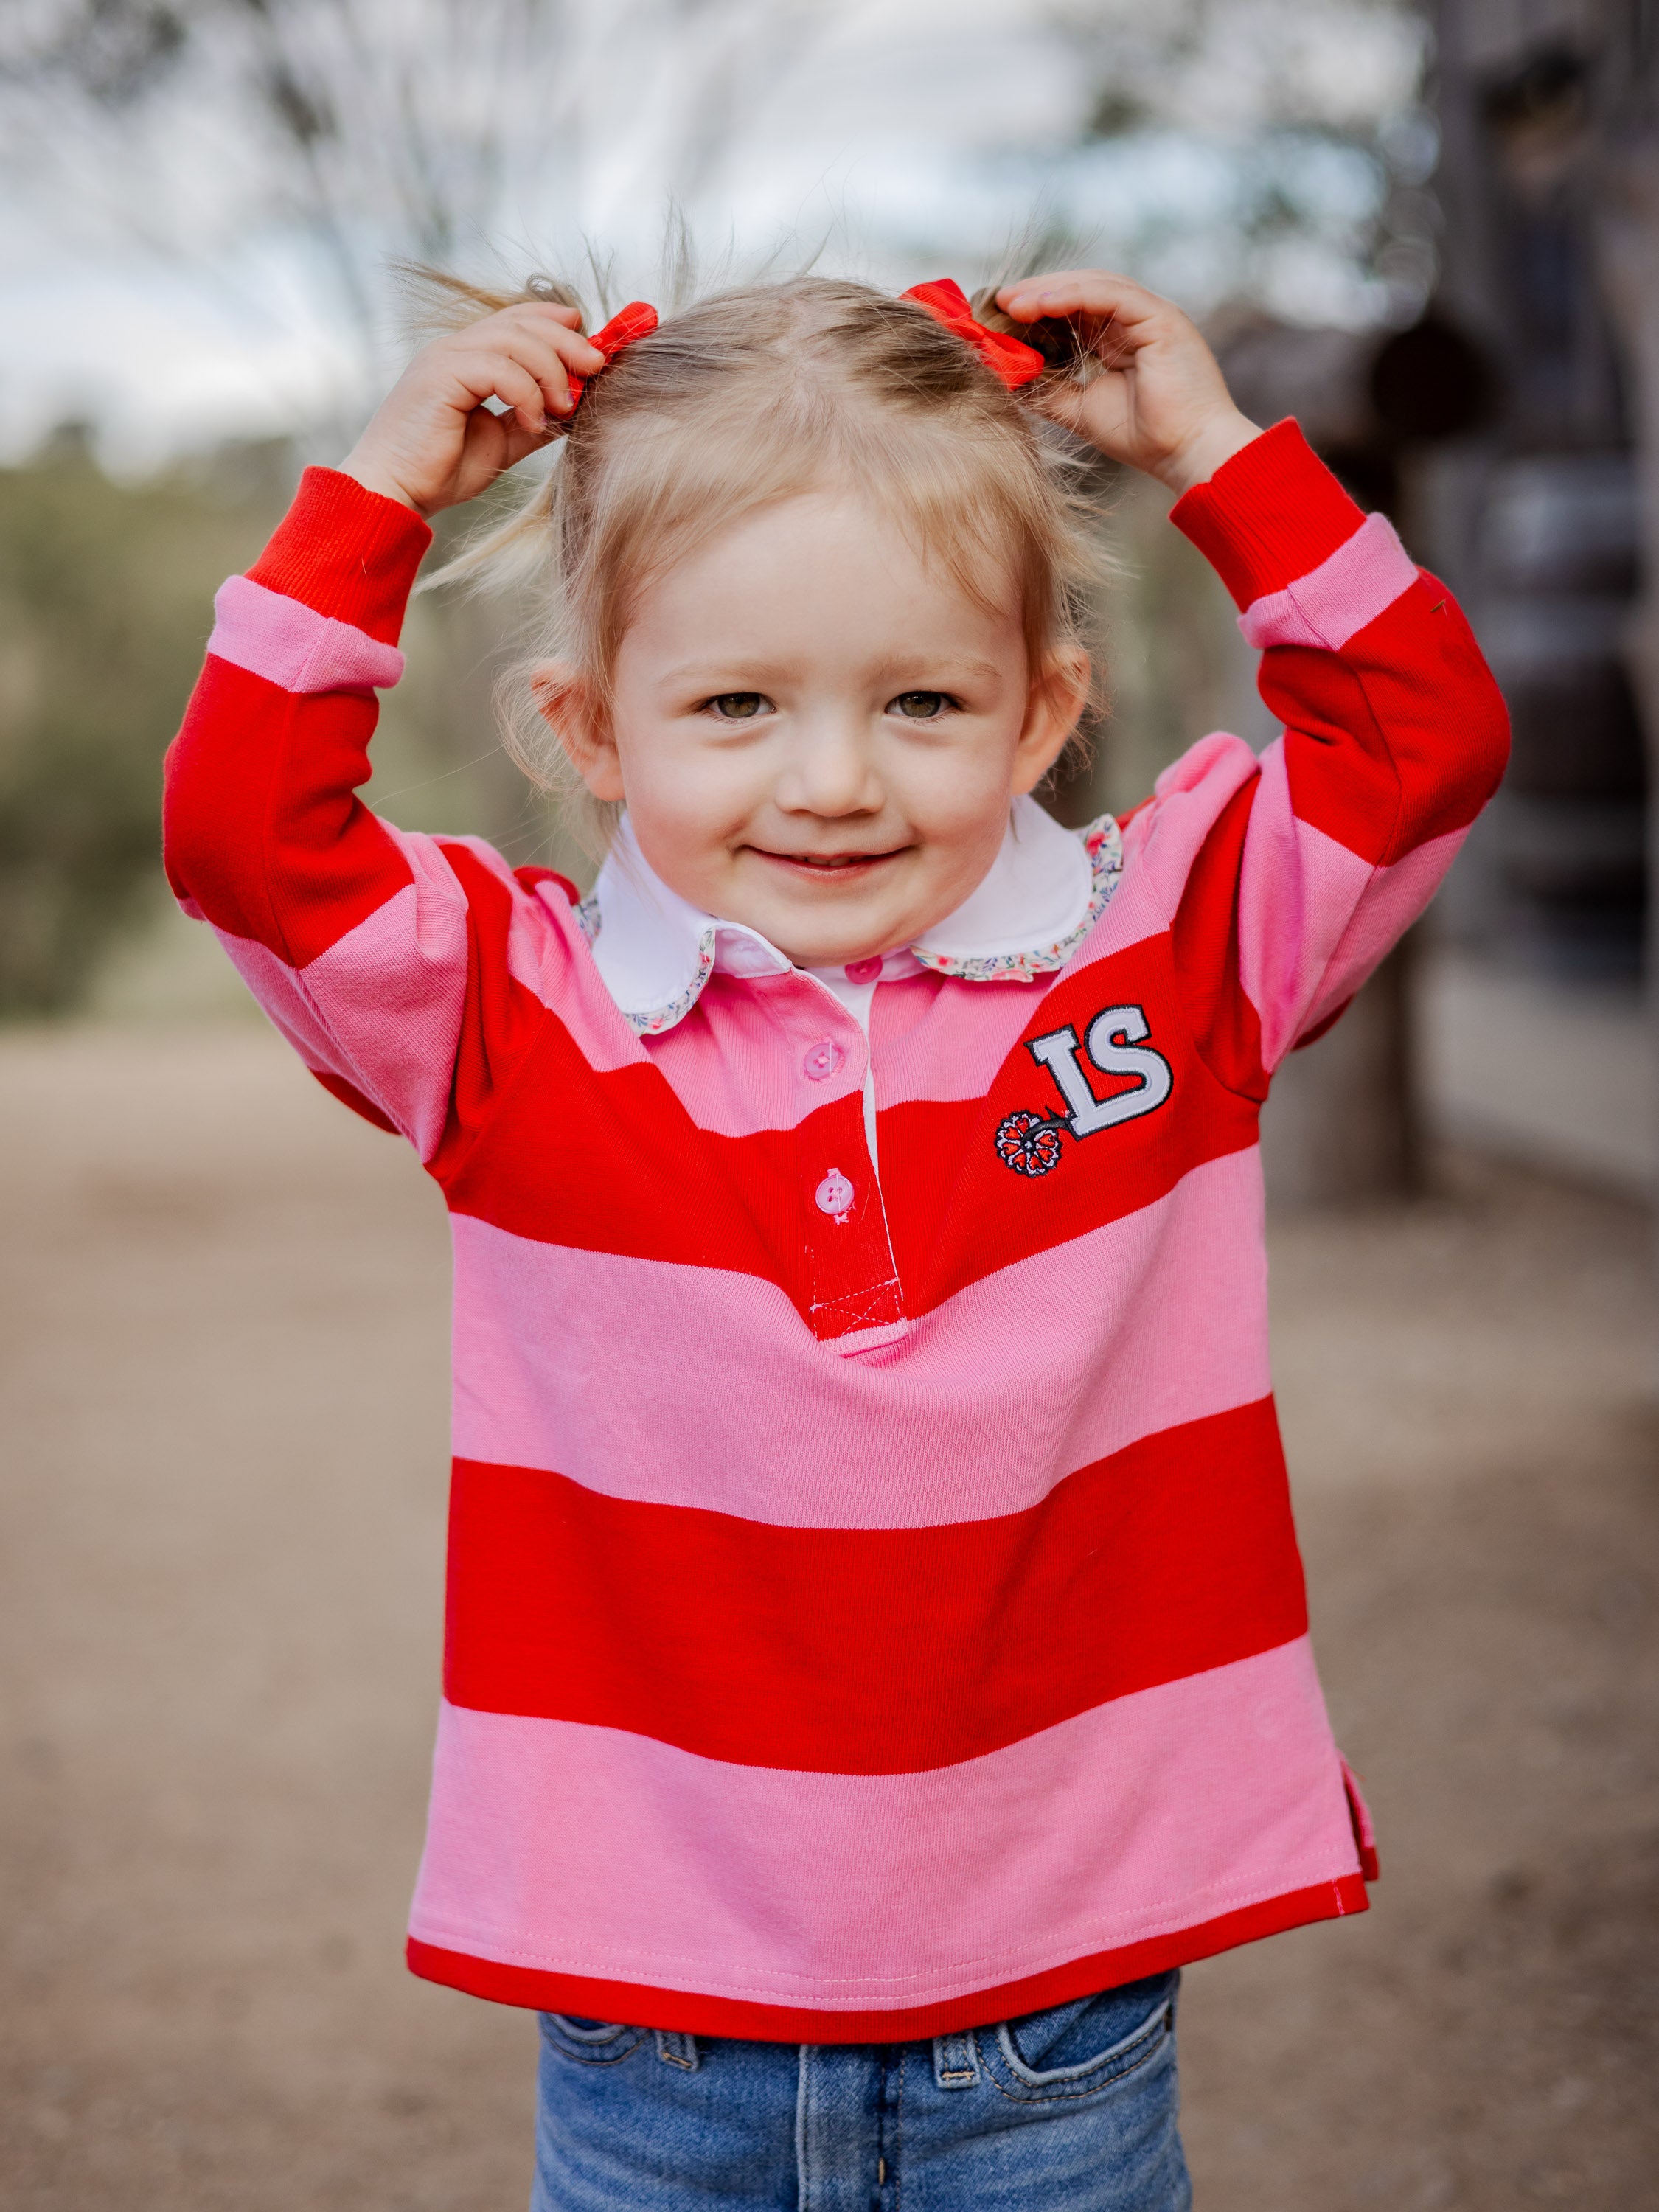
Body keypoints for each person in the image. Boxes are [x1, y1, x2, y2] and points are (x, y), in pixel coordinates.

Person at [163, 264, 1509, 2211]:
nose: (830, 779)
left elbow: (1418, 742)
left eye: (923, 701)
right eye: (731, 703)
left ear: (1045, 709)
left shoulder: (1171, 950)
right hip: (652, 2024)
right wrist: (383, 486)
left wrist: (1213, 455)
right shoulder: (504, 1015)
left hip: (1060, 2017)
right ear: (588, 726)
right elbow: (241, 836)